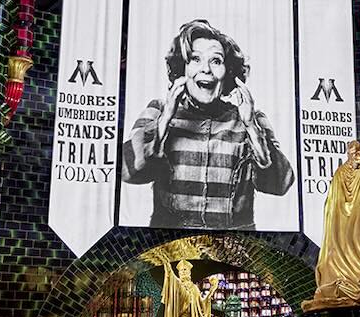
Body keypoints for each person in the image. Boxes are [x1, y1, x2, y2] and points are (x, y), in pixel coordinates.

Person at [121, 19, 294, 229]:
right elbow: (127, 171)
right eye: (195, 59)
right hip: (171, 250)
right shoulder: (159, 110)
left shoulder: (251, 119)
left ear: (229, 73)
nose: (206, 69)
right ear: (182, 68)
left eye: (216, 61)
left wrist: (251, 127)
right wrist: (165, 120)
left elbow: (281, 184)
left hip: (232, 251)